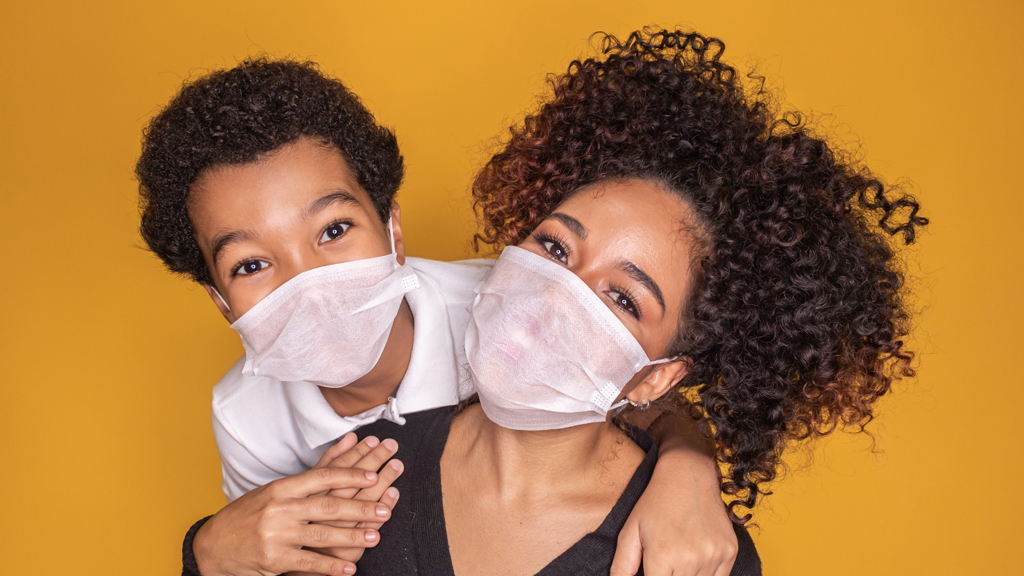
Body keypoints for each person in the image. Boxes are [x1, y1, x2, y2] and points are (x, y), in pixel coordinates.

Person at [353, 27, 925, 574]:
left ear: (657, 379)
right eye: (555, 246)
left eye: (623, 299)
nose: (556, 295)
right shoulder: (361, 472)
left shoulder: (688, 555)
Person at [136, 60, 737, 575]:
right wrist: (209, 550)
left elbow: (642, 388)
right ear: (221, 302)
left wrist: (688, 471)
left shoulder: (508, 304)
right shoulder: (244, 418)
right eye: (249, 265)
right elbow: (272, 547)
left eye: (334, 230)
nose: (307, 284)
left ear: (394, 230)